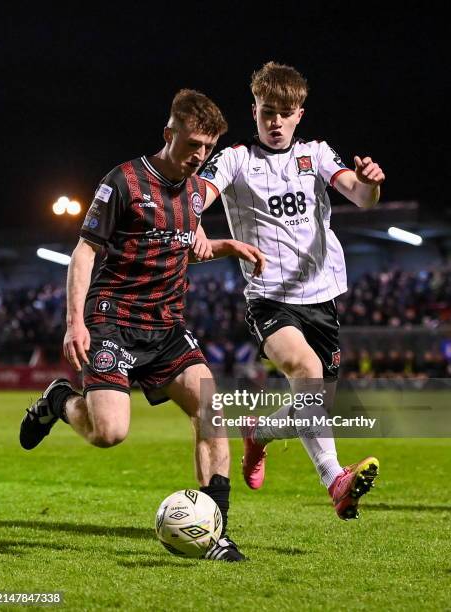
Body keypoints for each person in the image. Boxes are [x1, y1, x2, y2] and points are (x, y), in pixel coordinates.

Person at [19, 89, 266, 560]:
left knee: (211, 410)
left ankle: (215, 532)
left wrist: (229, 247)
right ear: (168, 134)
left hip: (167, 326)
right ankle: (59, 400)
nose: (199, 156)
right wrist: (75, 323)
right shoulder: (124, 181)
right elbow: (85, 251)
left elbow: (188, 246)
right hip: (113, 321)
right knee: (108, 433)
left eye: (207, 148)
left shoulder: (196, 194)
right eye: (192, 144)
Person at [196, 62, 385, 520]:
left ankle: (258, 434)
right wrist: (194, 224)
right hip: (269, 299)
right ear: (254, 111)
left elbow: (359, 197)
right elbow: (198, 194)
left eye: (284, 112)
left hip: (321, 299)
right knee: (306, 367)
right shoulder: (237, 159)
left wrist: (370, 185)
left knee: (312, 405)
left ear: (299, 113)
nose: (275, 122)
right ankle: (335, 480)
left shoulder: (317, 154)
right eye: (267, 113)